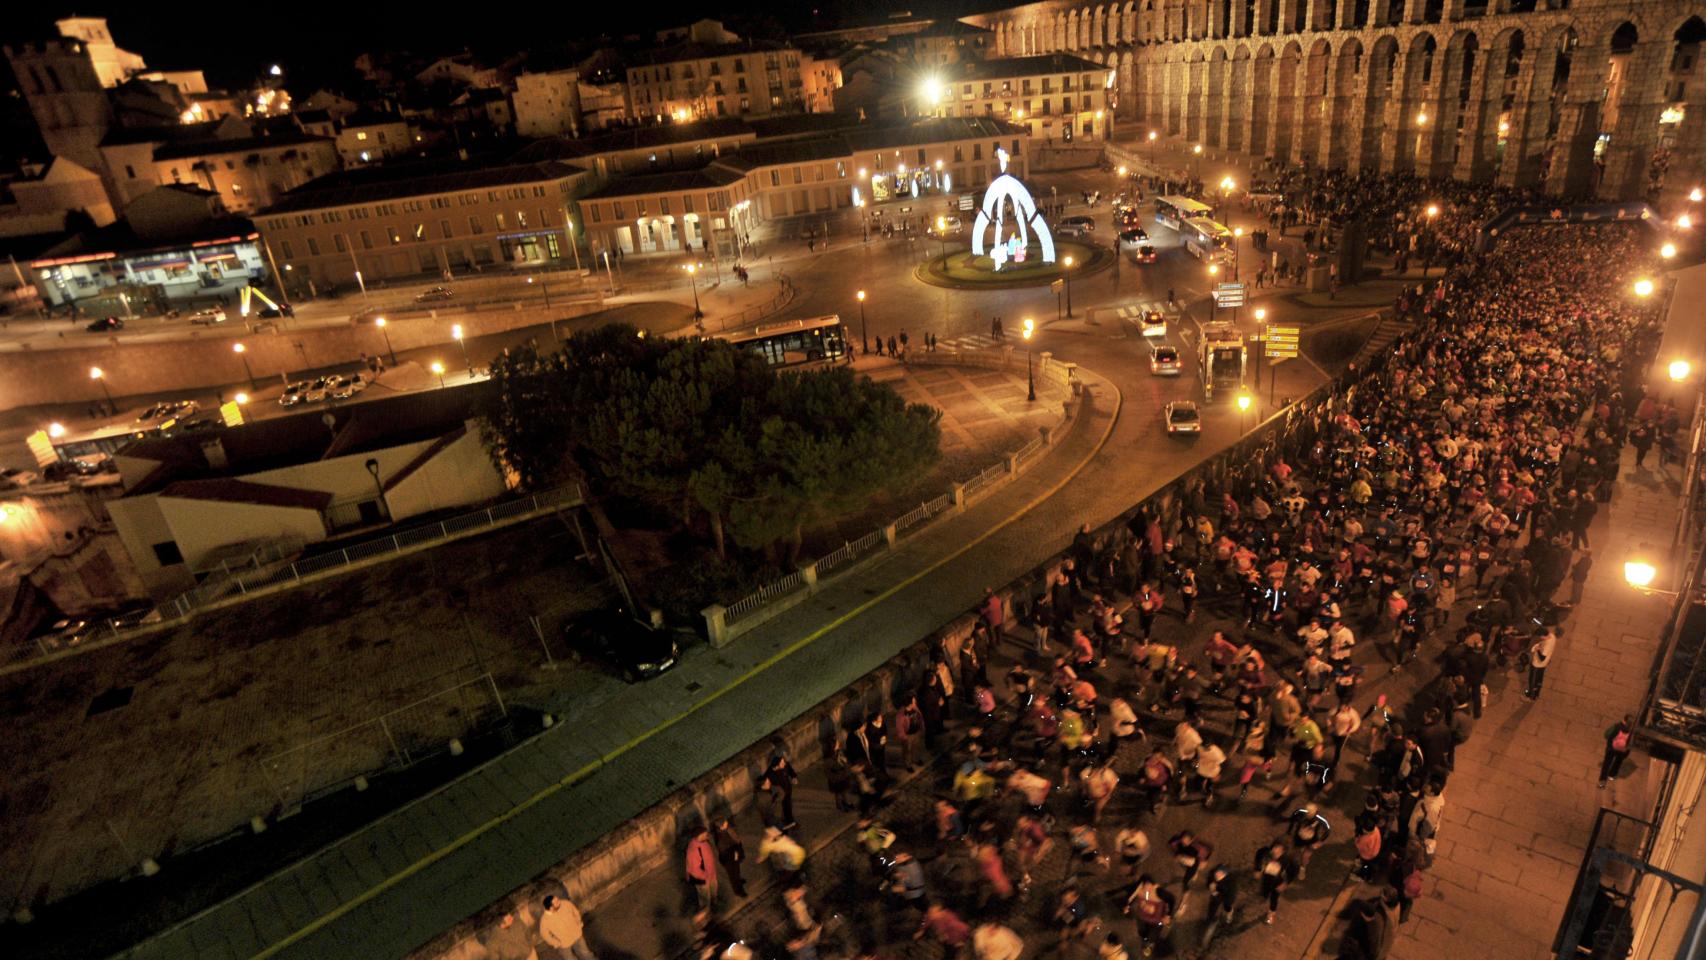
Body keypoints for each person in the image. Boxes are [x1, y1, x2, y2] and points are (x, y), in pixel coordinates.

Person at [540, 894, 597, 960]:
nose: (559, 902)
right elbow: (545, 935)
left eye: (557, 899)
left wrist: (578, 924)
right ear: (551, 908)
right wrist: (556, 943)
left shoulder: (566, 904)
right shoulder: (545, 920)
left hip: (577, 935)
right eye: (556, 902)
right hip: (564, 944)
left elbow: (575, 912)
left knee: (586, 953)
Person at [685, 827, 719, 910]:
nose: (707, 835)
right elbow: (694, 870)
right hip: (702, 879)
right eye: (705, 834)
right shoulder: (694, 850)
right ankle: (705, 912)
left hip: (711, 875)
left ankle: (713, 907)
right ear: (699, 835)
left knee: (713, 892)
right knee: (704, 898)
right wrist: (705, 876)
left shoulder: (705, 841)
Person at [713, 817, 747, 898]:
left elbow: (735, 839)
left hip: (733, 853)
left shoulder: (727, 830)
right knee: (733, 873)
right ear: (721, 826)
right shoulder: (721, 836)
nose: (727, 823)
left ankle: (739, 880)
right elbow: (725, 848)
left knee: (736, 870)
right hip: (729, 856)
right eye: (724, 823)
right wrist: (735, 851)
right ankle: (739, 891)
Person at [1600, 714, 1635, 787]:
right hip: (1622, 750)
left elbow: (1606, 735)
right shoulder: (1632, 731)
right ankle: (1612, 775)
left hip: (1611, 748)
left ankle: (1602, 780)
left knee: (1606, 763)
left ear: (1624, 720)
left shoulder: (1617, 726)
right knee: (1617, 763)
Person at [1525, 625, 1558, 700]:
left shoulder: (1547, 646)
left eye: (1540, 636)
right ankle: (1536, 694)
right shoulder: (1552, 637)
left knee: (1533, 680)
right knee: (1539, 679)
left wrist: (1537, 649)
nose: (1540, 638)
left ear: (1543, 636)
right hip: (1544, 665)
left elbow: (1542, 658)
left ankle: (1531, 696)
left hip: (1537, 664)